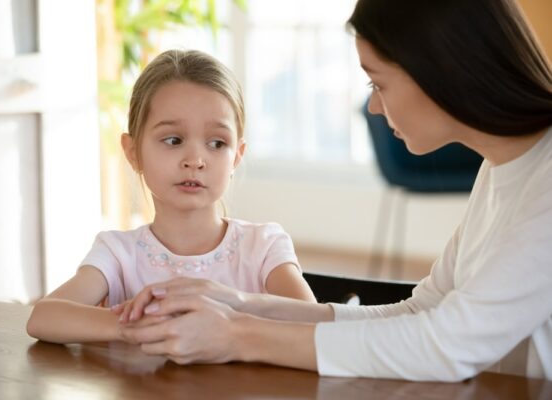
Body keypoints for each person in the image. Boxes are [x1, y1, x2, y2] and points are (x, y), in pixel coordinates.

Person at [112, 0, 552, 381]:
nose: (375, 107)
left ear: (440, 71)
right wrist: (244, 305)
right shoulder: (502, 169)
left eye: (378, 82)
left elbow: (446, 344)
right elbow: (424, 311)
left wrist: (236, 335)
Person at [26, 49, 316, 344]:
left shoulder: (264, 247)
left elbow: (314, 323)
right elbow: (43, 318)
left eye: (217, 143)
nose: (195, 160)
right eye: (173, 140)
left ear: (236, 157)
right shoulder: (118, 254)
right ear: (133, 152)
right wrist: (133, 326)